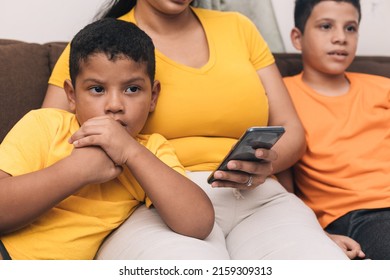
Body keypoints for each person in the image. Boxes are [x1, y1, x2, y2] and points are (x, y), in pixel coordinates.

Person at [41, 0, 348, 259]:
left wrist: (263, 162)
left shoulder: (238, 28)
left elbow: (291, 129)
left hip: (259, 197)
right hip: (150, 203)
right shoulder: (99, 44)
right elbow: (49, 138)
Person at [0, 18, 216, 260]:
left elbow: (198, 223)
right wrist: (76, 170)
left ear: (153, 96)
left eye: (132, 89)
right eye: (97, 89)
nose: (114, 106)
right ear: (71, 95)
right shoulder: (45, 125)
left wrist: (130, 152)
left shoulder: (149, 151)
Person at [284, 0, 390, 259]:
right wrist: (314, 233)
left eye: (350, 28)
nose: (340, 38)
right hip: (356, 214)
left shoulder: (382, 88)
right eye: (326, 26)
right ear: (297, 38)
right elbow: (281, 185)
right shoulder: (282, 95)